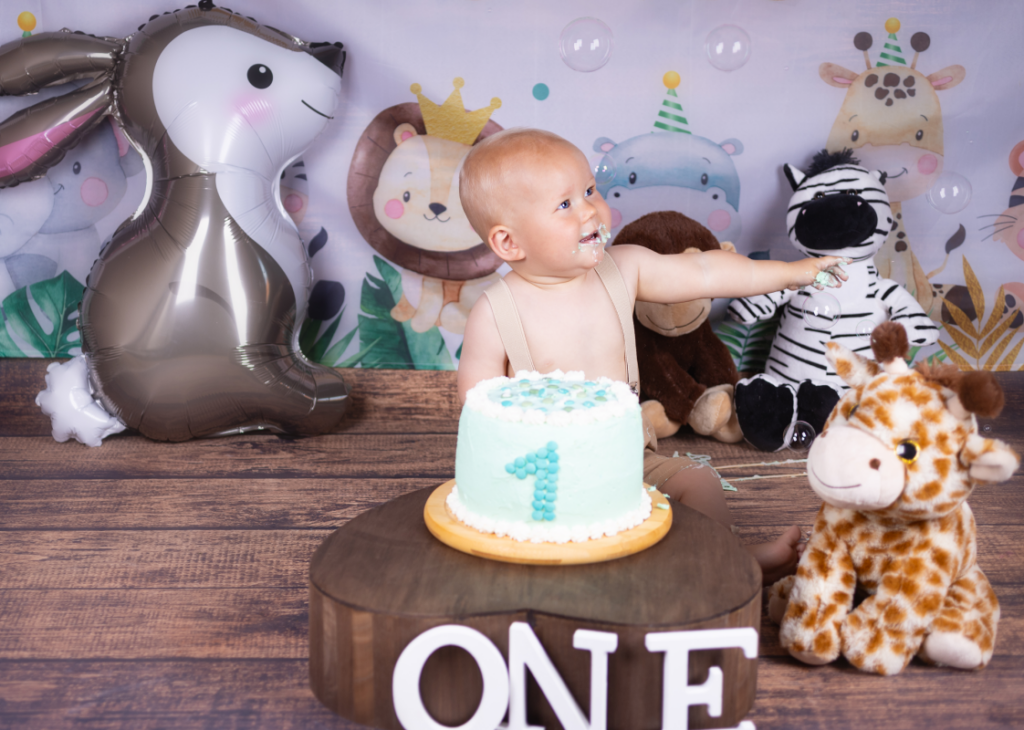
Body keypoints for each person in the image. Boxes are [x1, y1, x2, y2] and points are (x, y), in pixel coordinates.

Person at [456, 128, 847, 582]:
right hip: (540, 478)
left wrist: (791, 273)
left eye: (589, 191)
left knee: (697, 481)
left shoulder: (623, 267)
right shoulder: (494, 313)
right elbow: (478, 406)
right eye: (565, 205)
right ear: (509, 243)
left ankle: (725, 558)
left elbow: (704, 270)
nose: (590, 211)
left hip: (626, 455)